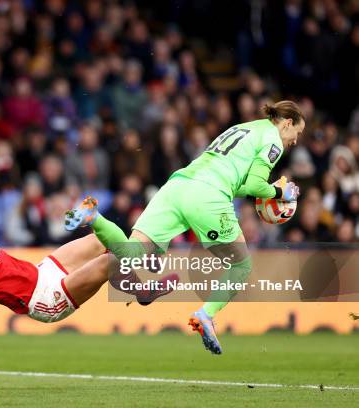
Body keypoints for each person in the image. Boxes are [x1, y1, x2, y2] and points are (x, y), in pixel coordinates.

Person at [65, 101, 305, 355]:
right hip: (208, 195)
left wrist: (267, 192)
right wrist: (282, 191)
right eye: (297, 133)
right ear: (287, 123)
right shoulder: (273, 139)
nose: (295, 141)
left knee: (131, 253)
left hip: (178, 185)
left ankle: (93, 216)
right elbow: (257, 185)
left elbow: (241, 185)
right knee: (241, 265)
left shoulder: (245, 127)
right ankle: (206, 314)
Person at [0, 195, 178, 364]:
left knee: (100, 241)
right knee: (111, 261)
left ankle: (103, 234)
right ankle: (138, 285)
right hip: (45, 300)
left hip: (42, 272)